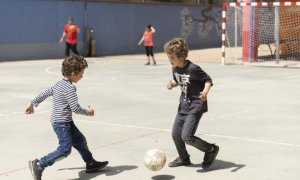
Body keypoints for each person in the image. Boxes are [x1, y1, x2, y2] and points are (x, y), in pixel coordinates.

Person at [25, 55, 108, 180]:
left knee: (80, 141)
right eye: (81, 73)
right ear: (74, 73)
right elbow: (75, 108)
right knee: (65, 149)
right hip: (62, 124)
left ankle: (91, 163)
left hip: (64, 122)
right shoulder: (70, 88)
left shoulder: (58, 83)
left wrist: (32, 103)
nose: (82, 76)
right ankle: (39, 164)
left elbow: (45, 93)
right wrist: (88, 112)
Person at [164, 38, 219, 169]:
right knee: (176, 134)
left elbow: (208, 79)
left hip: (195, 106)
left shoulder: (193, 68)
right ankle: (184, 159)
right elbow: (179, 80)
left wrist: (205, 92)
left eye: (172, 57)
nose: (170, 60)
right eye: (169, 57)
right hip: (183, 106)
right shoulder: (175, 68)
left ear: (181, 56)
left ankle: (210, 149)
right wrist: (173, 83)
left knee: (187, 137)